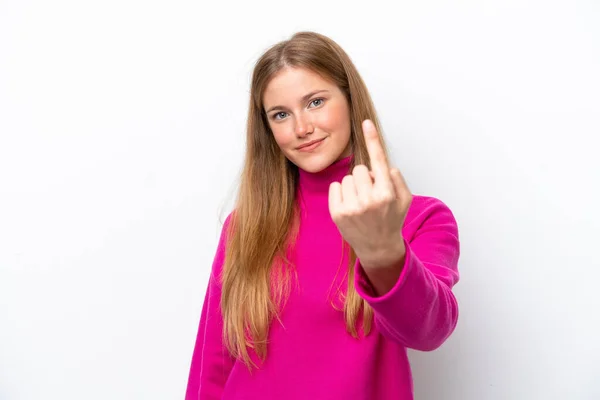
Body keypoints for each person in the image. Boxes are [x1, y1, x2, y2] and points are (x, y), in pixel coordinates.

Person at [185, 31, 460, 400]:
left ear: (350, 99)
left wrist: (383, 254)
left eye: (315, 102)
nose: (301, 128)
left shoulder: (419, 217)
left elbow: (429, 331)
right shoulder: (244, 225)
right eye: (281, 114)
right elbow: (213, 364)